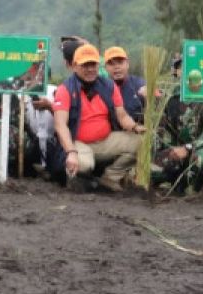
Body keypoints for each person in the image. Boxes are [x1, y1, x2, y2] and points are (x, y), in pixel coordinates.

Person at [50, 43, 144, 192]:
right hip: (77, 142)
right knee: (84, 164)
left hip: (105, 141)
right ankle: (72, 180)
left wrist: (134, 127)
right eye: (85, 65)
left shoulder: (109, 86)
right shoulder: (65, 89)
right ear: (75, 66)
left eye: (93, 64)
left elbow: (122, 116)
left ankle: (110, 177)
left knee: (142, 142)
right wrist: (71, 152)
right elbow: (60, 125)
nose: (90, 69)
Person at [104, 46, 146, 123]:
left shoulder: (139, 84)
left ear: (127, 64)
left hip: (137, 131)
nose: (116, 67)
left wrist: (151, 94)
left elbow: (157, 96)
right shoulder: (102, 89)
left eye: (120, 62)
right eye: (111, 64)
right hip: (112, 133)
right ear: (105, 67)